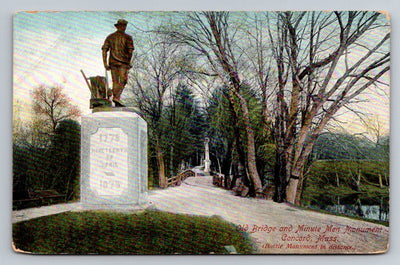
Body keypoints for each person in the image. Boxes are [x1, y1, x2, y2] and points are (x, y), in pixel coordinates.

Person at [102, 19, 134, 107]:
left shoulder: (111, 37)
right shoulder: (126, 37)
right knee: (121, 80)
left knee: (118, 81)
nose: (123, 27)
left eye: (124, 26)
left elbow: (104, 50)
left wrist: (105, 63)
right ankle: (116, 97)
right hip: (121, 63)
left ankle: (116, 97)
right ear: (118, 26)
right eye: (122, 25)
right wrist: (128, 62)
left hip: (115, 63)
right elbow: (130, 51)